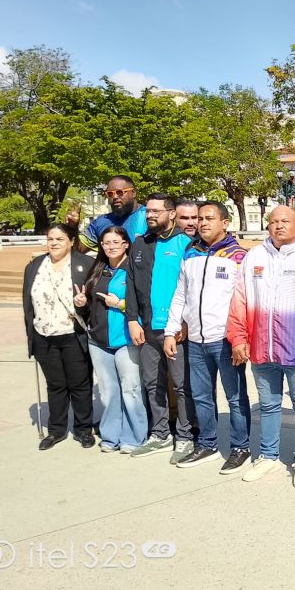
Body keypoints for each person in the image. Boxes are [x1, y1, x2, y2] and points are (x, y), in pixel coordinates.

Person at [227, 206, 295, 488]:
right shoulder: (254, 256)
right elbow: (240, 299)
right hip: (261, 348)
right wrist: (239, 337)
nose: (279, 225)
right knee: (268, 405)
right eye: (274, 221)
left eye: (285, 221)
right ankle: (268, 455)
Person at [163, 201, 249, 472]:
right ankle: (208, 443)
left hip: (224, 340)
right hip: (196, 341)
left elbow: (244, 300)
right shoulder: (191, 252)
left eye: (209, 218)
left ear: (225, 223)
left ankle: (240, 446)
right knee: (201, 396)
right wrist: (171, 330)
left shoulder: (238, 256)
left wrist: (239, 338)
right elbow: (180, 294)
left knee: (235, 397)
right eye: (199, 218)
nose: (202, 223)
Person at [125, 193, 195, 462]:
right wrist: (132, 319)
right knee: (151, 382)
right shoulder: (140, 244)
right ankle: (160, 434)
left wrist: (185, 322)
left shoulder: (185, 243)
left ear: (171, 214)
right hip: (146, 328)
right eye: (148, 212)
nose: (150, 215)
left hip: (175, 329)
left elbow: (192, 288)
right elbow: (131, 283)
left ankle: (186, 436)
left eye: (156, 211)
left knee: (181, 385)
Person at [74, 226, 147, 453]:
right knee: (108, 391)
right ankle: (110, 435)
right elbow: (91, 307)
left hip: (126, 339)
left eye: (116, 242)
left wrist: (121, 304)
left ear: (126, 244)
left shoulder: (134, 269)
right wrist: (81, 303)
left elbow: (144, 305)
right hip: (99, 340)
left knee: (131, 388)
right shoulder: (98, 270)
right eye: (106, 243)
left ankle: (134, 436)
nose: (111, 246)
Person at [23, 223, 95, 450]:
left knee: (80, 384)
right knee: (55, 385)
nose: (53, 243)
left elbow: (94, 303)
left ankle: (84, 429)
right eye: (50, 239)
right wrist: (31, 336)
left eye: (60, 239)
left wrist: (84, 305)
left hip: (73, 334)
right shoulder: (35, 265)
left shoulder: (85, 264)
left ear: (71, 241)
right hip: (44, 335)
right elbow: (28, 303)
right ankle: (56, 430)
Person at [80, 175, 148, 252]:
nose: (115, 197)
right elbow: (77, 250)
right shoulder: (101, 222)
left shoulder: (149, 217)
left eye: (120, 192)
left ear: (133, 193)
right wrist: (72, 227)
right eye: (110, 194)